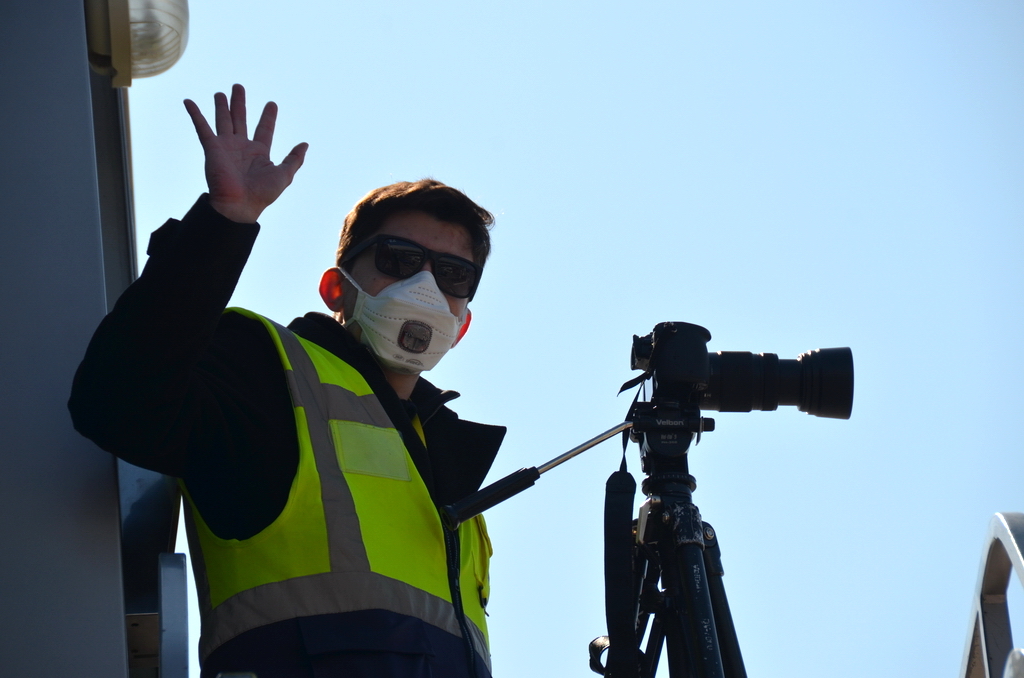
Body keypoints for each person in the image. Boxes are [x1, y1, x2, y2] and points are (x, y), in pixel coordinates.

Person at [68, 84, 505, 678]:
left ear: (462, 324)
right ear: (336, 289)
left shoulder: (450, 469)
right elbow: (120, 399)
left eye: (452, 275)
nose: (423, 288)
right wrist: (224, 222)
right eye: (399, 260)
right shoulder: (269, 375)